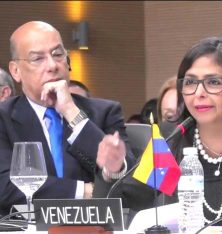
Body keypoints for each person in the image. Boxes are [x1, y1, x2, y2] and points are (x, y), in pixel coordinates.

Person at [93, 36, 222, 227]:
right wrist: (113, 170)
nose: (199, 93)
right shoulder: (172, 137)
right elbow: (125, 205)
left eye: (213, 82)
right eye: (190, 82)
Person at [0, 21, 134, 216]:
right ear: (16, 71)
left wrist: (71, 112)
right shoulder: (3, 118)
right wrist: (86, 191)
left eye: (57, 55)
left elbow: (128, 180)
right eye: (38, 59)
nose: (53, 66)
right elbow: (5, 186)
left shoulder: (105, 112)